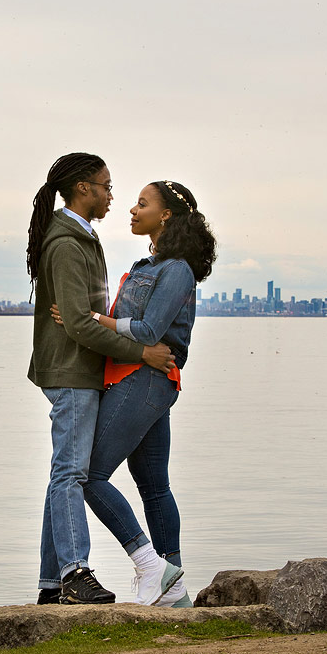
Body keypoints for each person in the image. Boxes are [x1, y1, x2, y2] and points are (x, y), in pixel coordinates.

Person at [53, 180, 216, 607]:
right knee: (154, 486)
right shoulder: (146, 266)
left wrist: (91, 319)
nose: (132, 209)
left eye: (142, 204)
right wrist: (87, 319)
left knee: (89, 475)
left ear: (166, 215)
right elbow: (130, 326)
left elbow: (147, 331)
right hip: (137, 377)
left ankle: (149, 565)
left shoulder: (176, 269)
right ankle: (173, 588)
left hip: (144, 380)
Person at [27, 153, 175, 605]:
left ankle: (52, 584)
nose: (112, 196)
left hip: (81, 368)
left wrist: (91, 320)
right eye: (107, 186)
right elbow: (78, 323)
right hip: (71, 369)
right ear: (83, 188)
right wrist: (143, 352)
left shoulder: (82, 238)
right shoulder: (68, 243)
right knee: (72, 473)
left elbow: (84, 316)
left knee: (65, 473)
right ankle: (75, 573)